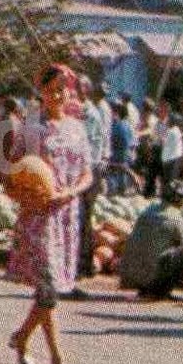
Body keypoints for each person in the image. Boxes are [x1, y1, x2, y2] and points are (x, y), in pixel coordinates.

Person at [4, 63, 93, 364]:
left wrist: (69, 192)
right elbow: (11, 175)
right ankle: (57, 360)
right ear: (40, 91)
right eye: (53, 88)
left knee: (50, 289)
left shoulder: (77, 128)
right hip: (38, 216)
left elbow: (87, 173)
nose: (59, 94)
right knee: (48, 289)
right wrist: (24, 198)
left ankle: (22, 337)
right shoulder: (29, 129)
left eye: (64, 88)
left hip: (66, 216)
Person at [115, 186, 183, 300]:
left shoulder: (148, 210)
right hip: (152, 278)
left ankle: (144, 288)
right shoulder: (175, 217)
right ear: (180, 200)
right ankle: (160, 291)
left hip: (129, 276)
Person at [77, 76, 109, 278]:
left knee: (83, 218)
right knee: (81, 218)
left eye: (78, 88)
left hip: (89, 170)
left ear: (86, 90)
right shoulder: (85, 111)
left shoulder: (89, 114)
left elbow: (84, 146)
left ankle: (83, 265)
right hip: (86, 169)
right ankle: (83, 264)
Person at [106, 100, 135, 196]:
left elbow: (113, 139)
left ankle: (115, 192)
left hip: (118, 153)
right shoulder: (127, 124)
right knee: (122, 175)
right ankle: (122, 192)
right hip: (125, 153)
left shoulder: (117, 124)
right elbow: (132, 142)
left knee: (115, 174)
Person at [158, 99, 183, 201]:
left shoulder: (171, 131)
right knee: (172, 179)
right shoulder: (178, 131)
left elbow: (163, 141)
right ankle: (171, 197)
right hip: (175, 158)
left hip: (170, 159)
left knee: (168, 179)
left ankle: (168, 197)